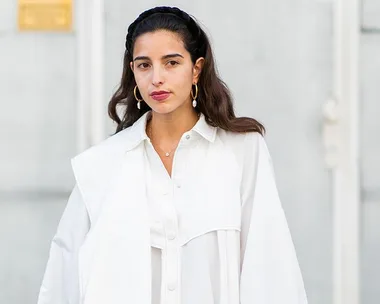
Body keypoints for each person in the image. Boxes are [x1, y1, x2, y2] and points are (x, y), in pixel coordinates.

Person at [37, 6, 308, 304]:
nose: (157, 78)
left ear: (196, 69)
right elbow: (64, 278)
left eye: (171, 63)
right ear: (133, 72)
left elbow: (271, 267)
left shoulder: (242, 151)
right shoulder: (102, 166)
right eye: (144, 65)